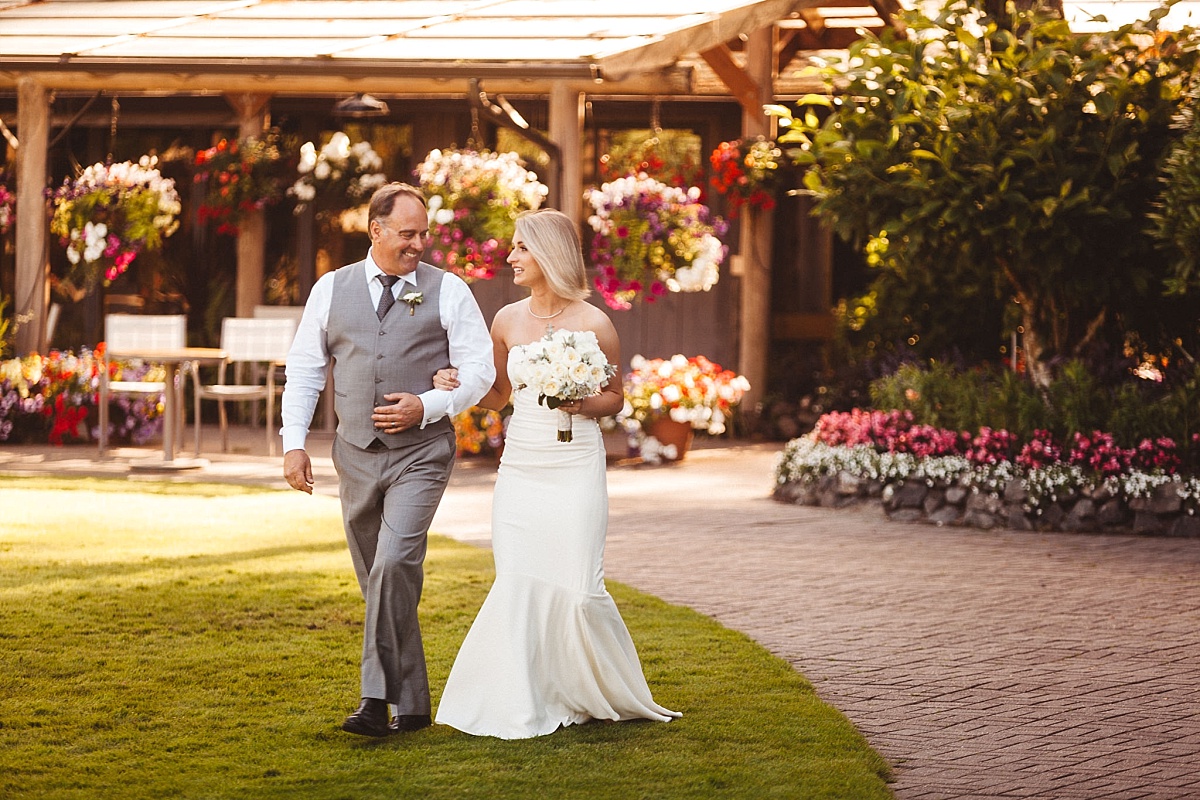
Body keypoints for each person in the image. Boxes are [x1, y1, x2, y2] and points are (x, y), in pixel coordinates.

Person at [432, 208, 680, 739]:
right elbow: (500, 397)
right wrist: (459, 383)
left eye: (521, 248)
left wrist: (579, 402)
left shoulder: (595, 323)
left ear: (548, 254)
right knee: (518, 576)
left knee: (579, 583)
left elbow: (615, 398)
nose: (511, 257)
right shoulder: (505, 320)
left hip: (575, 465)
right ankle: (522, 694)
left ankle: (592, 689)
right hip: (522, 465)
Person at [281, 182, 495, 737]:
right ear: (375, 231)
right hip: (353, 455)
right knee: (378, 578)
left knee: (394, 563)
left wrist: (428, 403)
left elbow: (479, 370)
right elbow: (305, 368)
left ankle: (374, 701)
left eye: (424, 233)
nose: (419, 244)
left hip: (421, 454)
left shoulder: (449, 291)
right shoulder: (331, 289)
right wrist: (293, 442)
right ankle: (415, 705)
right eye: (407, 233)